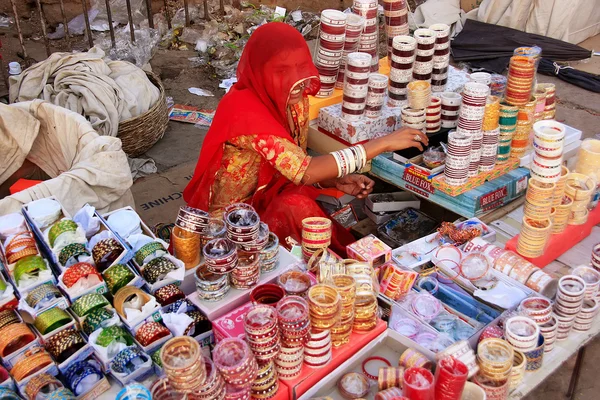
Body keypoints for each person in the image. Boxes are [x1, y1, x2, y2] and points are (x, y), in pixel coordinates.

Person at [184, 22, 428, 255]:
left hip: (270, 197)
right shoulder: (244, 114)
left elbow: (294, 166)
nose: (296, 80)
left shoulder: (295, 101)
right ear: (260, 72)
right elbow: (305, 171)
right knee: (298, 210)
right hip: (233, 223)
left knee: (305, 215)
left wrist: (333, 181)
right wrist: (381, 143)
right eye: (281, 71)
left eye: (301, 66)